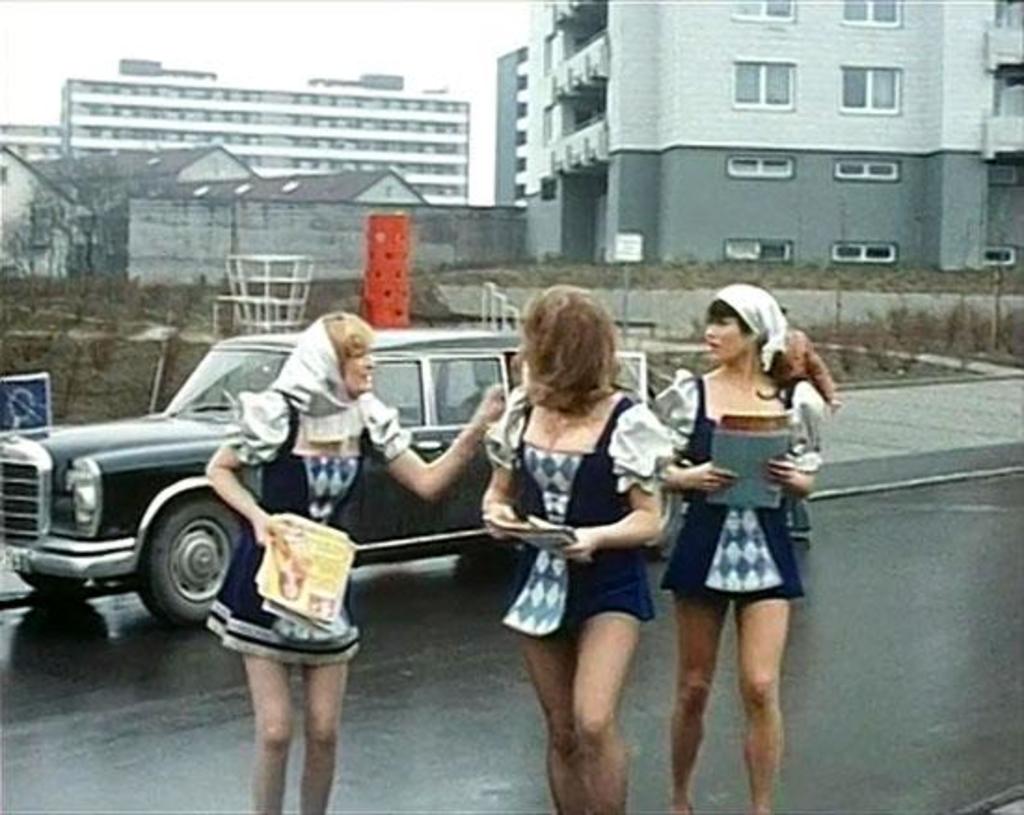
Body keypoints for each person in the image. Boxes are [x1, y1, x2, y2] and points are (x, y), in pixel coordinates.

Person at [205, 313, 503, 815]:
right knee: (276, 731)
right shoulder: (280, 415)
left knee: (324, 731)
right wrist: (258, 518)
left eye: (369, 354)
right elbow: (219, 470)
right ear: (327, 362)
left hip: (325, 586)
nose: (370, 365)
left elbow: (428, 482)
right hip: (268, 583)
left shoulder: (365, 419)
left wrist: (477, 428)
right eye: (357, 355)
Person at [481, 286, 672, 815]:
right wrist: (497, 516)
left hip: (608, 581)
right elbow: (498, 491)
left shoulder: (626, 419)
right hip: (539, 581)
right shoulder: (523, 411)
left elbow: (650, 520)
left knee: (592, 720)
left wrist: (596, 537)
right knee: (562, 730)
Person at [654, 284, 824, 815]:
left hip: (766, 546)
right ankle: (680, 799)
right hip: (703, 542)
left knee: (760, 683)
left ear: (754, 334)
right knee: (693, 686)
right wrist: (689, 477)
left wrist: (795, 480)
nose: (712, 333)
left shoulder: (789, 400)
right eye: (711, 321)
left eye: (725, 323)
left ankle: (761, 807)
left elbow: (809, 478)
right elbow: (656, 466)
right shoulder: (690, 395)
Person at [775, 311, 839, 541]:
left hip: (795, 397)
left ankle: (797, 518)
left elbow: (817, 368)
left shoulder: (797, 340)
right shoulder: (763, 341)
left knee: (796, 458)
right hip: (775, 395)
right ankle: (790, 515)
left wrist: (831, 396)